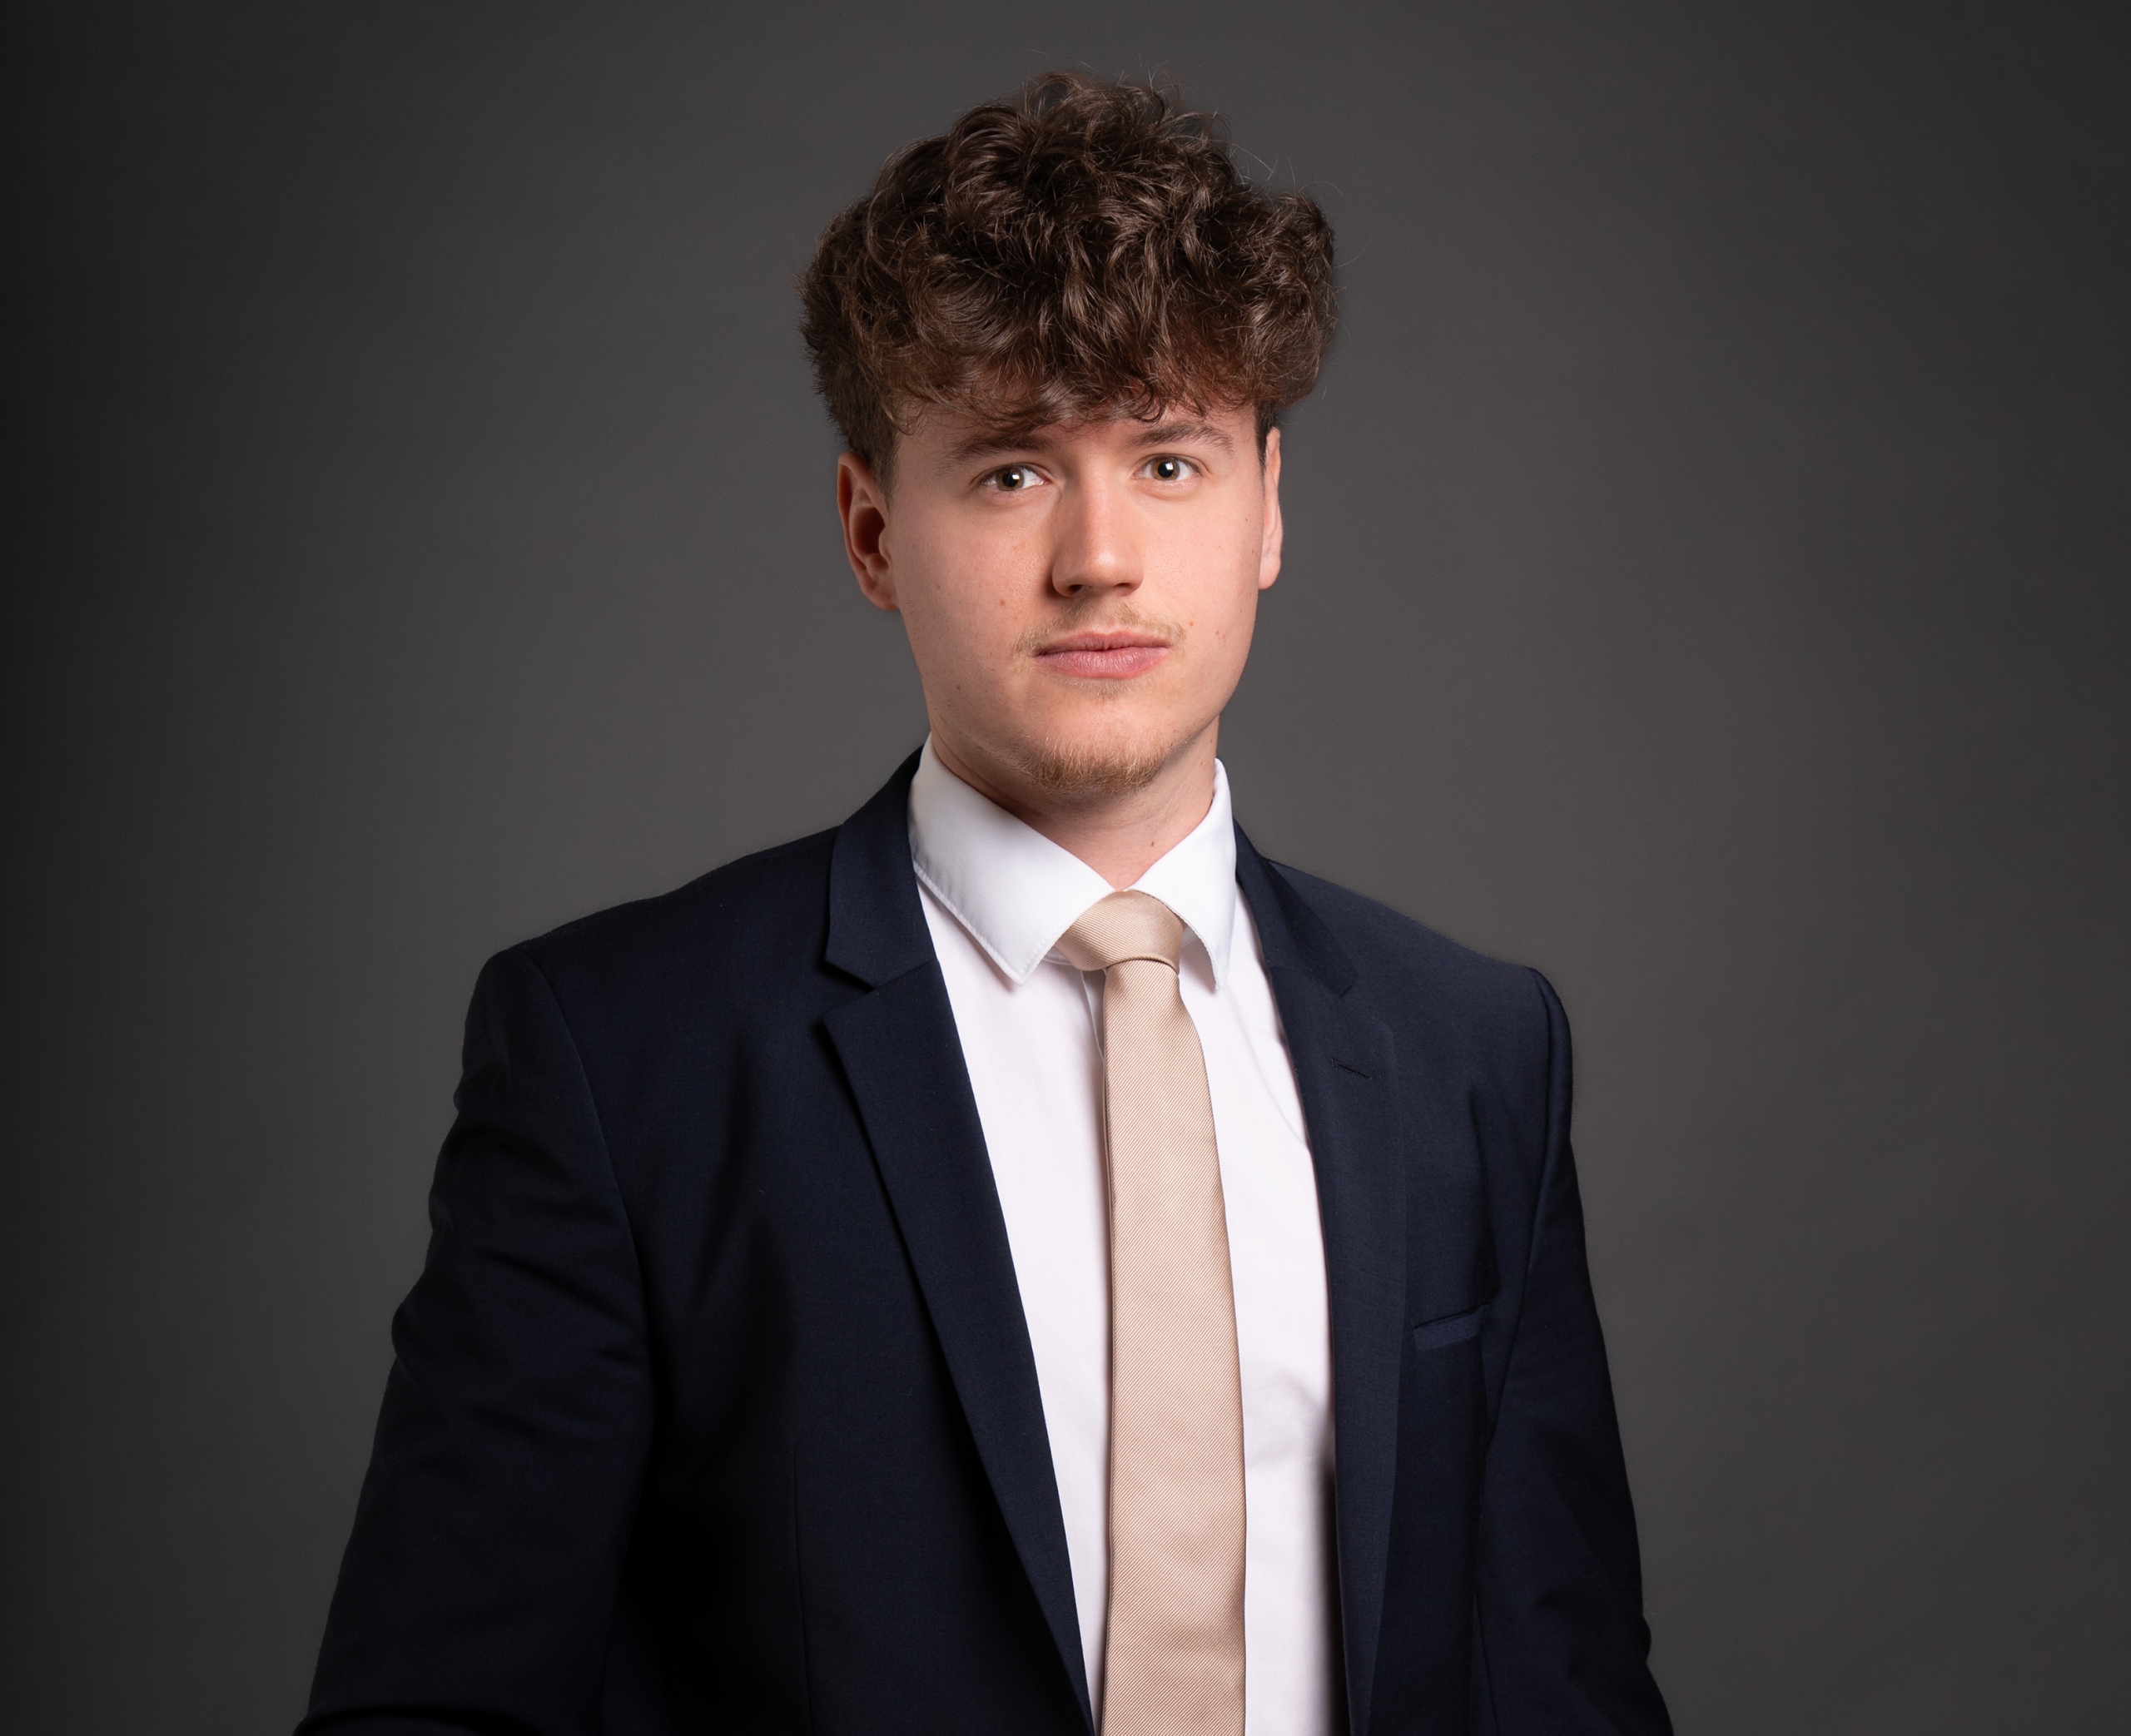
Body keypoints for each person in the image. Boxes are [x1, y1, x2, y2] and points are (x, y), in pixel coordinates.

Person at [300, 72, 1671, 1736]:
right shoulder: (622, 1060)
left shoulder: (1474, 1052)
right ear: (873, 529)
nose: (1100, 557)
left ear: (1267, 508)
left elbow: (1568, 1693)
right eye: (1014, 471)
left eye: (1168, 460)